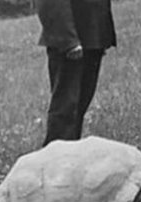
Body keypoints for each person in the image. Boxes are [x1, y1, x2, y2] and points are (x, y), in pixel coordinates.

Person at [36, 0, 116, 146]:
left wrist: (100, 36)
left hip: (91, 39)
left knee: (78, 109)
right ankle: (55, 161)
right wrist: (68, 40)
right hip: (69, 42)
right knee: (65, 110)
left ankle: (70, 157)